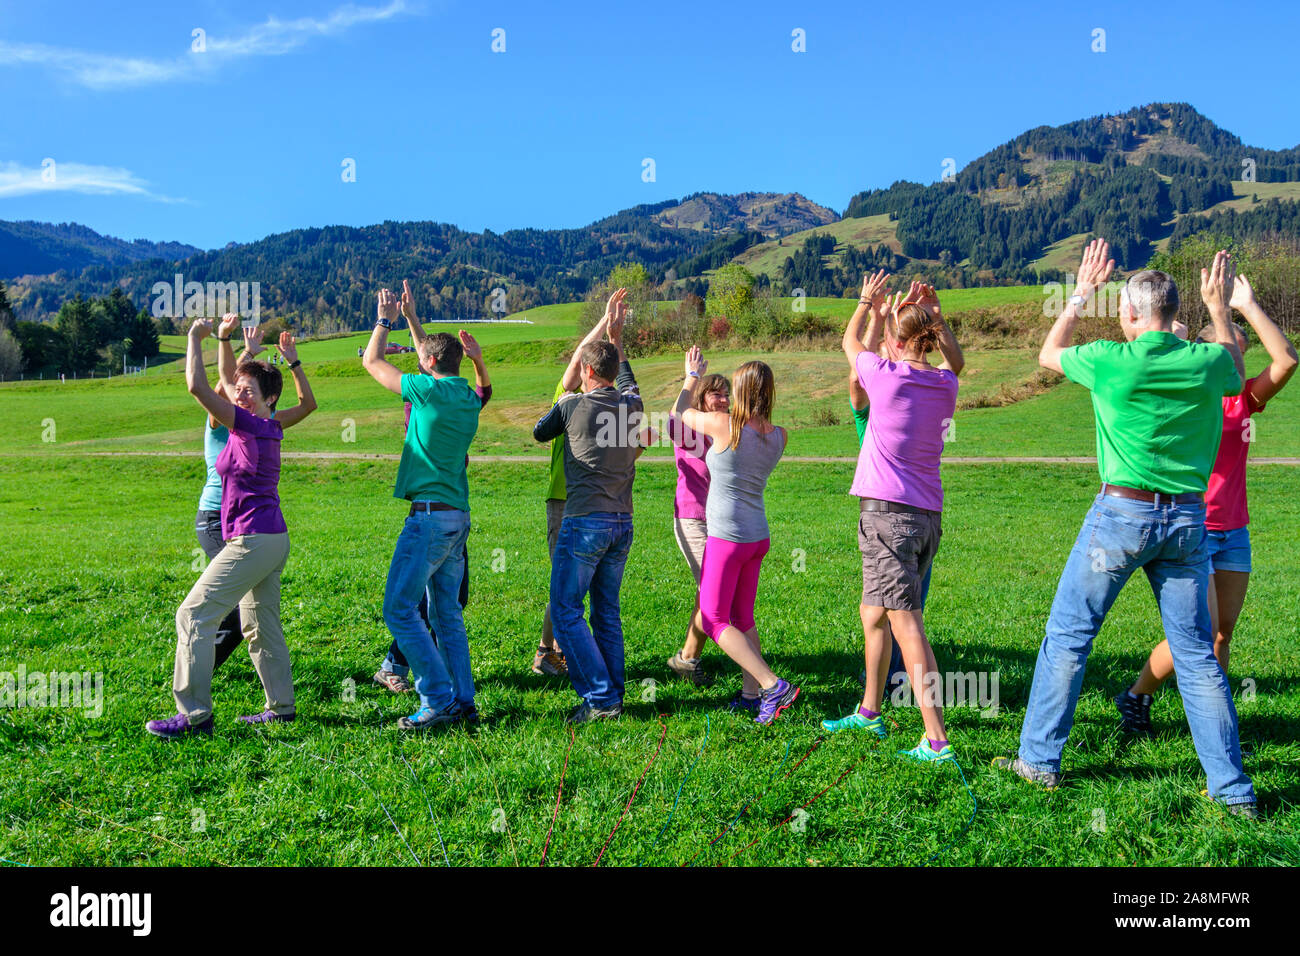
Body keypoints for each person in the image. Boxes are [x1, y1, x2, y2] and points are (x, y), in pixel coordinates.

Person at [994, 240, 1258, 817]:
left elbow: (1047, 353)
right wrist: (1218, 311)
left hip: (1120, 516)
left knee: (1069, 636)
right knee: (1196, 655)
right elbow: (1238, 374)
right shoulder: (1206, 362)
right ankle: (1233, 793)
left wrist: (1081, 293)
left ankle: (1038, 763)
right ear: (1174, 313)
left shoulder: (1110, 359)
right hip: (1188, 520)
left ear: (1130, 315)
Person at [1117, 274, 1297, 735]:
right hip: (1191, 525)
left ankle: (1141, 699)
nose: (1237, 361)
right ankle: (1203, 723)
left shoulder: (1242, 403)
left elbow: (1287, 360)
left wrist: (1249, 307)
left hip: (1234, 529)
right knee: (1198, 633)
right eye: (1229, 350)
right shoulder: (1187, 396)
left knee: (1221, 634)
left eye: (1240, 352)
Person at [147, 319, 317, 738]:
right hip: (272, 538)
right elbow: (300, 401)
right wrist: (283, 362)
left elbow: (199, 388)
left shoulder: (252, 425)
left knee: (192, 615)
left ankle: (193, 715)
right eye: (238, 389)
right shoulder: (271, 426)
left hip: (255, 539)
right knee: (260, 625)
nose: (239, 393)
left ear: (268, 400)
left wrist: (194, 339)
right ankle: (281, 708)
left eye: (249, 391)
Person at [828, 272, 963, 762]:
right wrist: (934, 316)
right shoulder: (944, 383)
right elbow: (958, 360)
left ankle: (936, 739)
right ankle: (869, 711)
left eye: (890, 336)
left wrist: (867, 304)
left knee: (908, 624)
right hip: (927, 516)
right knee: (874, 612)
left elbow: (848, 342)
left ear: (899, 342)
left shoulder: (884, 376)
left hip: (888, 516)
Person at [364, 287, 488, 731]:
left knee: (399, 608)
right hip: (458, 517)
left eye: (423, 362)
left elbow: (372, 363)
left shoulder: (427, 393)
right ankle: (463, 699)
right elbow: (434, 360)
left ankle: (436, 698)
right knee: (446, 614)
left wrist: (385, 320)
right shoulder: (468, 400)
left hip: (429, 519)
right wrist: (415, 318)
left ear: (429, 365)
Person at [533, 292, 647, 723]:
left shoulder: (570, 405)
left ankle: (599, 697)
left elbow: (539, 432)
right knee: (607, 612)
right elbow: (629, 383)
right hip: (623, 521)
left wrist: (568, 394)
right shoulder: (632, 406)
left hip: (584, 522)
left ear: (586, 371)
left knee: (565, 610)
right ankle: (613, 696)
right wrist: (618, 339)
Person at [672, 348, 797, 724]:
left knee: (712, 619)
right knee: (742, 618)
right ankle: (751, 696)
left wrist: (691, 376)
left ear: (741, 391)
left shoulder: (723, 426)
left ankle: (773, 685)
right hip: (757, 536)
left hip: (727, 538)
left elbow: (679, 415)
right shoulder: (779, 436)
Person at [195, 313, 269, 670]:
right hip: (214, 518)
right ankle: (199, 663)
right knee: (232, 602)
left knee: (242, 605)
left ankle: (202, 662)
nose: (241, 395)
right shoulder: (218, 421)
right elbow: (225, 385)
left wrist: (248, 352)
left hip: (240, 520)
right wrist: (232, 346)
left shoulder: (249, 422)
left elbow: (235, 383)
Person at [664, 367, 731, 687]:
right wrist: (691, 375)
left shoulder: (725, 429)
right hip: (691, 518)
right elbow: (672, 418)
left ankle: (687, 659)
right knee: (713, 591)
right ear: (702, 400)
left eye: (726, 394)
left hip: (720, 519)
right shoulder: (690, 430)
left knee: (708, 590)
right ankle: (688, 659)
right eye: (716, 394)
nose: (723, 399)